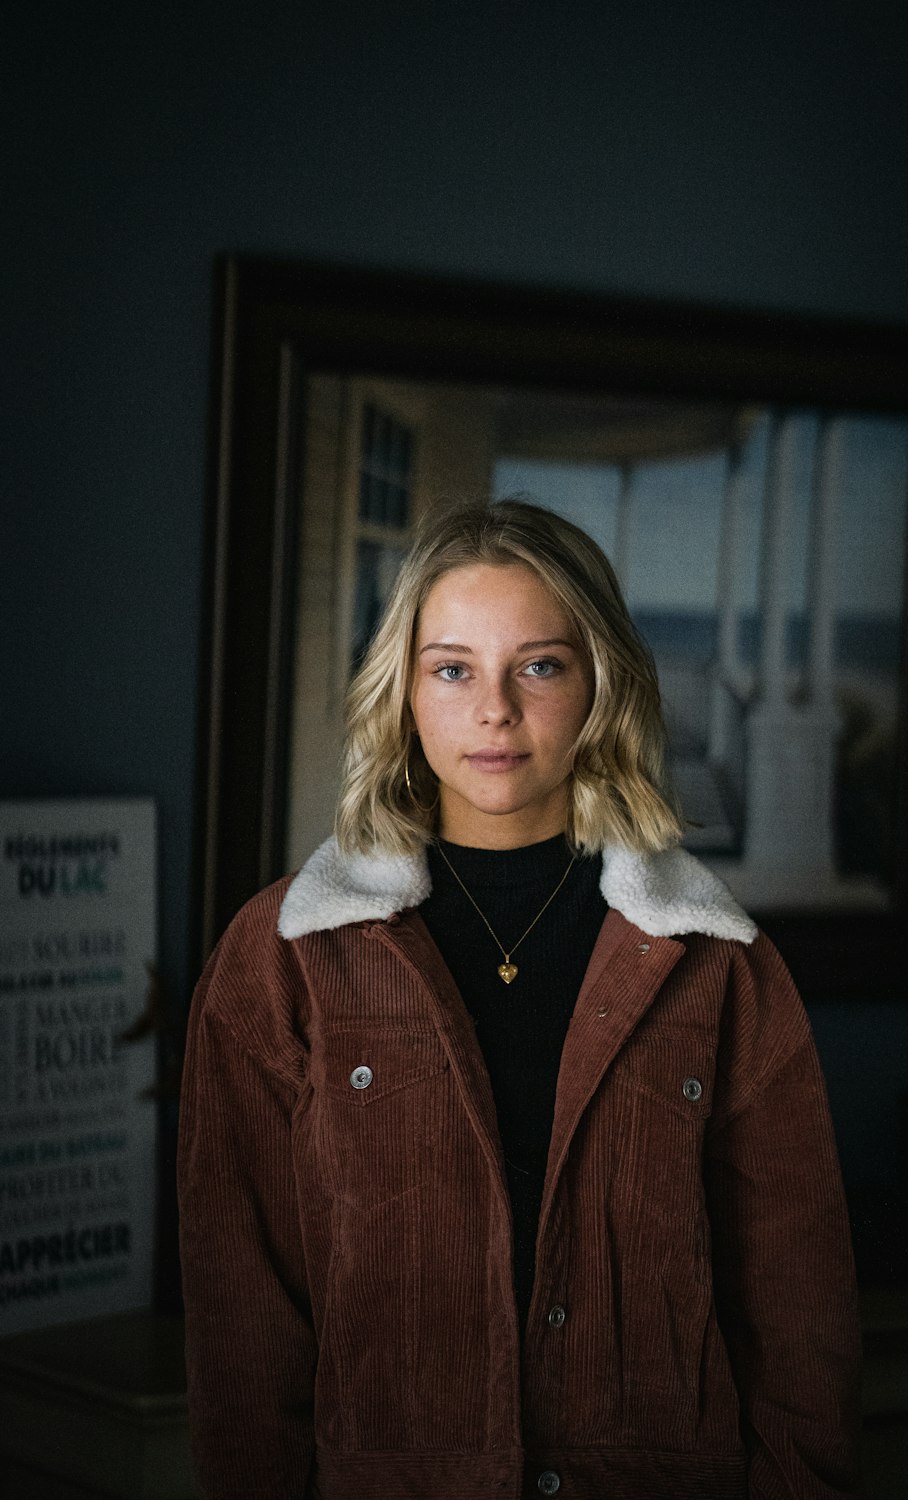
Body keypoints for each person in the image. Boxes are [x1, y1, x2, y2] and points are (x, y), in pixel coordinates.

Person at [178, 498, 862, 1499]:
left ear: (599, 685)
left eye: (538, 665)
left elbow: (800, 1311)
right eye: (452, 668)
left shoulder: (713, 964)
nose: (493, 709)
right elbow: (242, 1322)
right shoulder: (283, 961)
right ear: (404, 692)